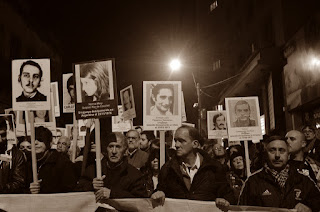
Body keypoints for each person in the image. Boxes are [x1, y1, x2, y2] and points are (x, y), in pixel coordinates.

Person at [151, 126, 235, 210]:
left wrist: (223, 200)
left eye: (181, 141)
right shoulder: (168, 169)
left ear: (195, 144)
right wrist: (159, 194)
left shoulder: (214, 168)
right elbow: (160, 192)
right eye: (175, 141)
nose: (176, 145)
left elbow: (228, 196)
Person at [239, 135, 320, 212]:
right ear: (266, 154)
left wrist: (309, 206)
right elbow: (241, 209)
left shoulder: (303, 180)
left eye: (281, 150)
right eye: (272, 150)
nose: (277, 155)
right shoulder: (253, 182)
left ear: (288, 155)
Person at [76, 132, 148, 201]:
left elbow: (140, 201)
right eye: (111, 146)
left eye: (118, 147)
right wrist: (91, 185)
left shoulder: (134, 175)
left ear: (125, 150)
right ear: (105, 149)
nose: (114, 151)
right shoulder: (93, 170)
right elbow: (77, 191)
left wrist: (113, 194)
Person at [27, 126, 77, 193]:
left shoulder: (63, 163)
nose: (35, 142)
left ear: (49, 143)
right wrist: (29, 189)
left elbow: (70, 190)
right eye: (33, 139)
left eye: (40, 139)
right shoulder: (27, 162)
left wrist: (42, 189)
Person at [0, 117, 26, 193]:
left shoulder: (17, 155)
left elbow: (19, 182)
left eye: (3, 135)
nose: (0, 140)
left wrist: (2, 188)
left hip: (8, 200)